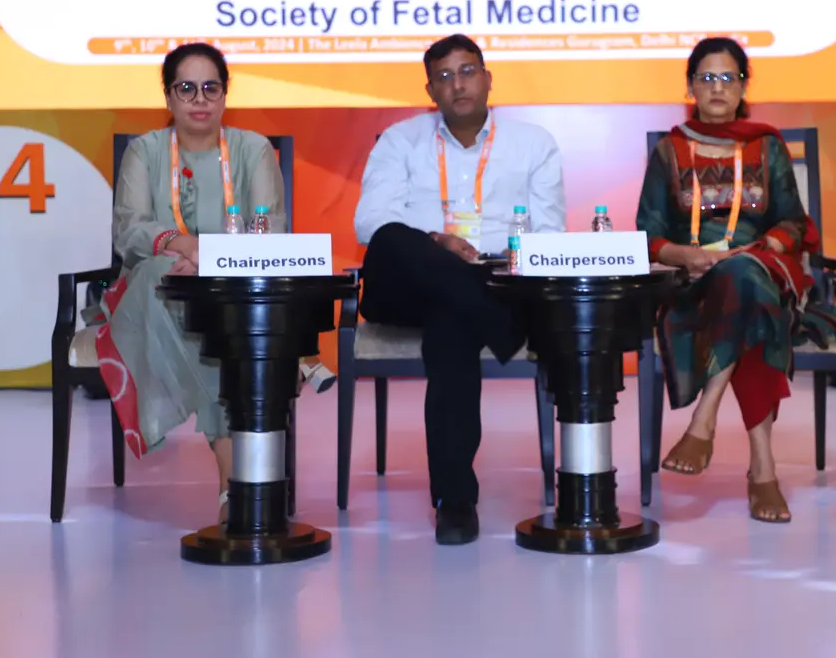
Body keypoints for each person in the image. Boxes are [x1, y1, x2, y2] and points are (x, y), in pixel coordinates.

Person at [86, 42, 327, 520]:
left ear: (224, 94)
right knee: (162, 276)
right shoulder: (145, 152)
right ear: (168, 96)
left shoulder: (252, 149)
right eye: (186, 88)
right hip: (155, 290)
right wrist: (184, 245)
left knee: (218, 304)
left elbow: (269, 230)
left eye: (210, 88)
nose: (199, 99)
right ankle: (235, 470)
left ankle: (233, 484)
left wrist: (212, 259)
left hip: (234, 289)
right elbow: (129, 231)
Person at [353, 33, 566, 545]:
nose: (458, 84)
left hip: (493, 279)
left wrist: (485, 268)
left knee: (452, 323)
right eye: (444, 76)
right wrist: (436, 241)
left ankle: (455, 502)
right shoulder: (400, 140)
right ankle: (501, 326)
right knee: (392, 239)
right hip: (411, 283)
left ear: (488, 79)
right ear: (431, 91)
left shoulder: (533, 144)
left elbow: (548, 234)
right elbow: (370, 223)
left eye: (467, 71)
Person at [636, 37, 836, 523]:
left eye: (728, 78)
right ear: (690, 87)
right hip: (692, 281)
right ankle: (762, 470)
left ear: (742, 87)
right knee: (752, 305)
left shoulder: (766, 145)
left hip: (761, 267)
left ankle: (704, 420)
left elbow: (793, 221)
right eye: (706, 78)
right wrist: (683, 255)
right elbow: (646, 234)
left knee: (746, 280)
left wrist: (766, 245)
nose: (717, 88)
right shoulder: (670, 150)